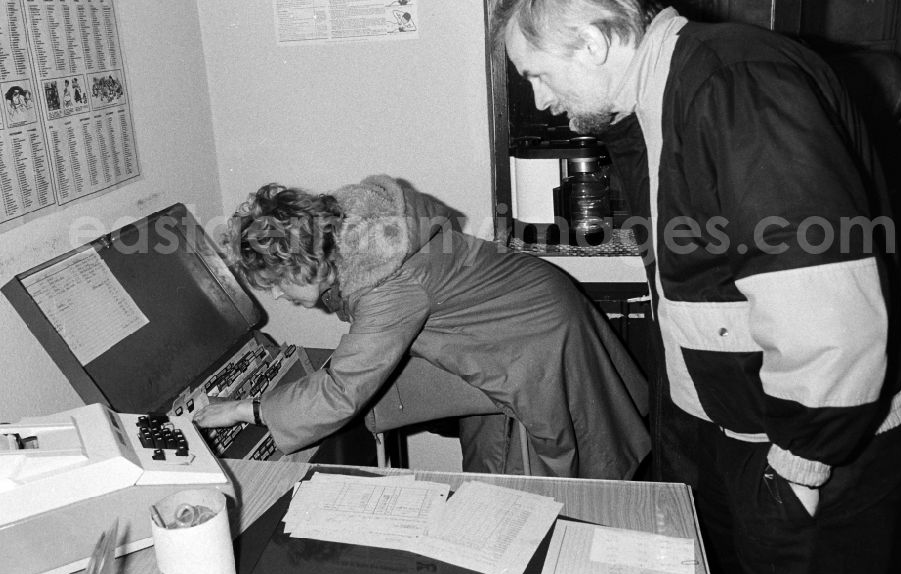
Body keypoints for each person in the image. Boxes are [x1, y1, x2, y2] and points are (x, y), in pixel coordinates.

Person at [491, 0, 901, 574]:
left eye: (537, 75)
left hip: (819, 442)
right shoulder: (654, 100)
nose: (541, 100)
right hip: (748, 430)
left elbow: (827, 306)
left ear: (593, 42)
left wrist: (798, 467)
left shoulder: (738, 85)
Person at [194, 174, 650, 480]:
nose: (276, 296)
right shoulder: (356, 230)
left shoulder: (387, 285)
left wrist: (247, 410)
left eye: (275, 284)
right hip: (520, 309)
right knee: (487, 452)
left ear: (302, 264)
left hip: (532, 337)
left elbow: (341, 392)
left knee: (541, 485)